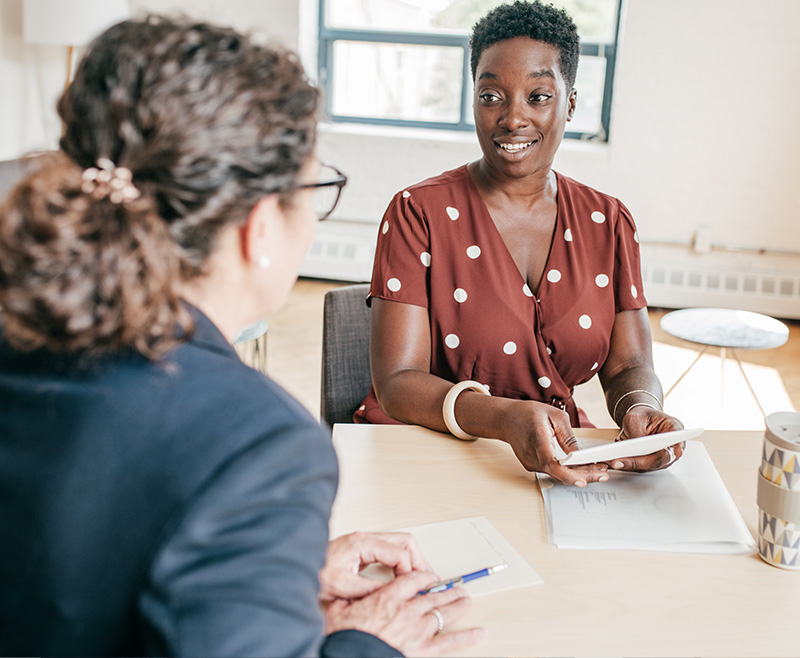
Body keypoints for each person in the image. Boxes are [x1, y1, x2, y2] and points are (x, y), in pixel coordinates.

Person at [0, 16, 482, 657]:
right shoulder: (258, 446)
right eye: (314, 190)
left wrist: (259, 573)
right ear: (259, 228)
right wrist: (368, 642)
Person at [355, 0, 684, 487]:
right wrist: (502, 418)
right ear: (473, 101)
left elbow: (630, 365)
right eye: (492, 96)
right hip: (429, 449)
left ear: (569, 103)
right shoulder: (417, 212)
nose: (513, 118)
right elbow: (398, 382)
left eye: (538, 95)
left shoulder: (608, 222)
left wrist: (641, 409)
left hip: (558, 453)